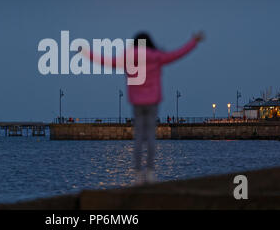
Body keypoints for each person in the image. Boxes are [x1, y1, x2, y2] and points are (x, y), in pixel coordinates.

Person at [84, 31, 204, 184]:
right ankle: (150, 172)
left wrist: (86, 53)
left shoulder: (128, 57)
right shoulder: (157, 56)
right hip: (153, 100)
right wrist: (193, 42)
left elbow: (107, 62)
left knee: (139, 137)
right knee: (151, 137)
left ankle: (138, 173)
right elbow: (177, 54)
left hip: (137, 102)